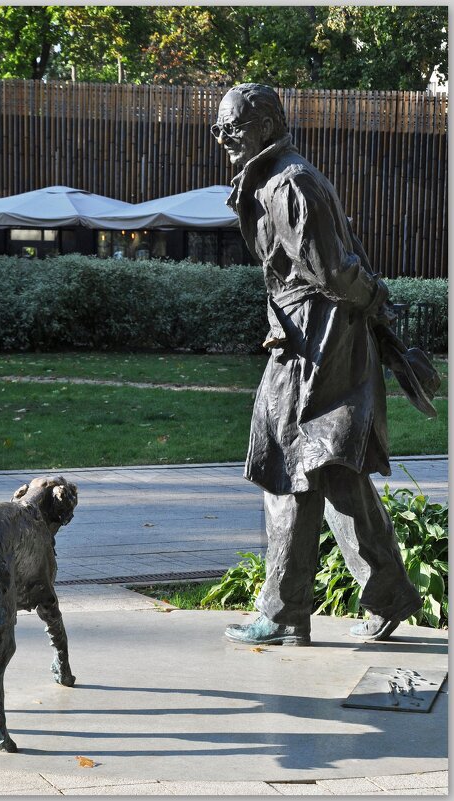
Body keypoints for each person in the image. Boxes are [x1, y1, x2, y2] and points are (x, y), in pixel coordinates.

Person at [215, 83, 434, 647]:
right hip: (313, 336)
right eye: (218, 129)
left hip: (317, 341)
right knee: (328, 467)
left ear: (265, 126)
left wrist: (374, 305)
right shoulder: (277, 178)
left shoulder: (289, 184)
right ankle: (384, 596)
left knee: (285, 464)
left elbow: (336, 274)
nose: (223, 140)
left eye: (233, 128)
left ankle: (285, 613)